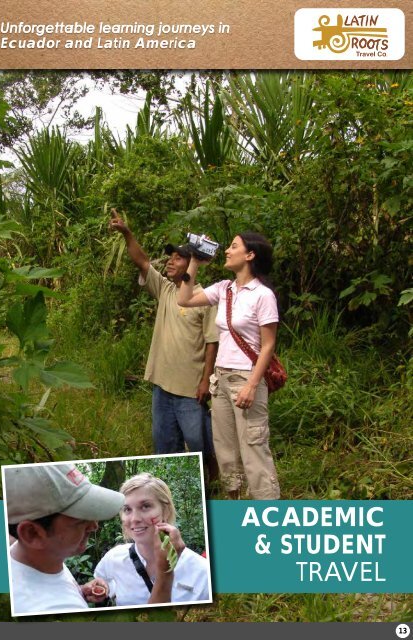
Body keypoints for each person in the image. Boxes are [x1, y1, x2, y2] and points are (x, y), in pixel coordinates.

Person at [109, 209, 219, 470]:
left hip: (190, 391)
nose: (170, 262)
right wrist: (126, 233)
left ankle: (210, 481)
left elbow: (212, 342)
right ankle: (171, 481)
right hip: (162, 387)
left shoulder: (205, 298)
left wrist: (206, 381)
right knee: (164, 443)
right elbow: (143, 262)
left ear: (191, 264)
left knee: (198, 442)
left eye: (178, 258)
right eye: (170, 257)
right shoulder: (166, 290)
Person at [177, 232, 281, 500]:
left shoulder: (262, 295)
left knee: (254, 449)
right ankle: (235, 509)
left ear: (250, 255)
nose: (227, 251)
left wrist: (252, 385)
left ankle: (268, 513)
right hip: (220, 380)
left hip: (245, 379)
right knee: (225, 450)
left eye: (234, 247)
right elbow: (184, 299)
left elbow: (268, 345)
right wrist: (195, 263)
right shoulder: (225, 289)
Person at [4, 462, 180, 615]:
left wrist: (78, 591)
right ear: (32, 534)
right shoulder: (54, 608)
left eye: (146, 506)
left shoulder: (39, 556)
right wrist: (165, 573)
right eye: (80, 520)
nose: (94, 526)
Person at [94, 473, 211, 606]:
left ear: (165, 511)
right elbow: (100, 584)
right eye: (127, 509)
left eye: (145, 506)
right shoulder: (113, 559)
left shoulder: (202, 572)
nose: (135, 519)